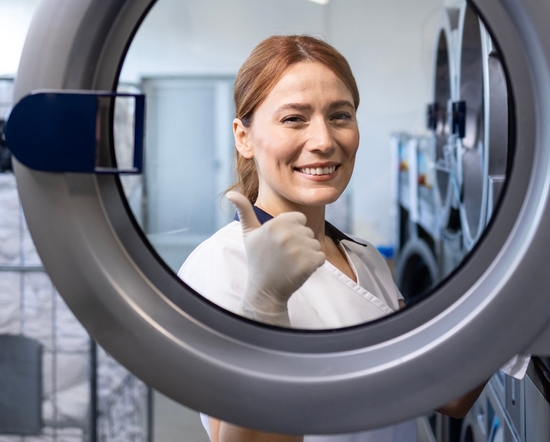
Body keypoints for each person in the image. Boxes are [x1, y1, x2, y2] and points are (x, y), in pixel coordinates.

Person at [178, 35, 488, 442]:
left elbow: (445, 395)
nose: (324, 141)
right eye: (294, 118)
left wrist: (519, 288)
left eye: (340, 116)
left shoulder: (364, 259)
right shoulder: (222, 263)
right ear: (244, 137)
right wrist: (266, 305)